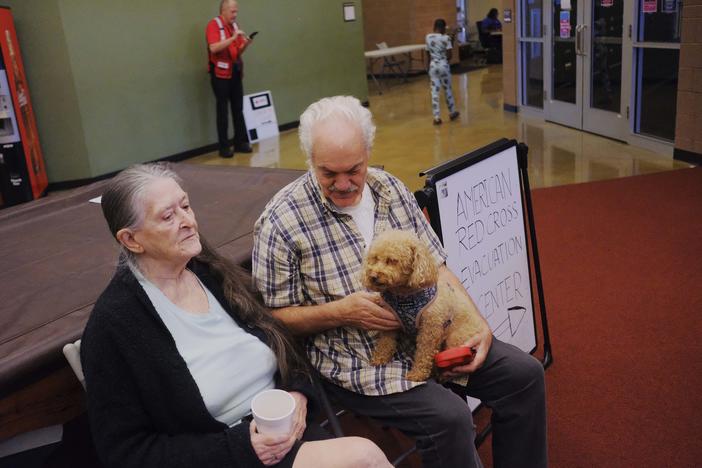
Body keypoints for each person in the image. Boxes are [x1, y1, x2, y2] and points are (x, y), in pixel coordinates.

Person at [252, 96, 547, 468]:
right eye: (329, 173)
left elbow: (438, 267)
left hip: (431, 332)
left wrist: (481, 325)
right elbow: (273, 318)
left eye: (354, 170)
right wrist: (342, 312)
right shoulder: (280, 221)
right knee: (451, 418)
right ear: (310, 160)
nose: (343, 184)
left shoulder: (390, 189)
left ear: (369, 152)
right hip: (357, 359)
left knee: (524, 375)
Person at [81, 163, 392, 468]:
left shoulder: (208, 270)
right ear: (131, 240)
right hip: (222, 455)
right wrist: (242, 447)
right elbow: (126, 453)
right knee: (362, 457)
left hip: (284, 437)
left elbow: (281, 339)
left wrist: (298, 393)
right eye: (167, 216)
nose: (187, 220)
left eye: (186, 206)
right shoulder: (114, 325)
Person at [206, 0, 253, 158]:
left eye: (236, 12)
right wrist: (233, 38)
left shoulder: (234, 25)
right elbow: (214, 48)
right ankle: (224, 147)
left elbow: (237, 52)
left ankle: (240, 142)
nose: (235, 15)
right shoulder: (213, 25)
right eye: (233, 11)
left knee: (238, 108)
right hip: (219, 74)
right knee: (222, 110)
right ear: (223, 11)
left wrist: (246, 44)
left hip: (235, 72)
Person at [425, 19, 460, 125]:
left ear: (434, 26)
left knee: (434, 92)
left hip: (433, 66)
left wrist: (427, 67)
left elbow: (427, 53)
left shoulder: (428, 37)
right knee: (447, 89)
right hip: (443, 65)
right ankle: (452, 112)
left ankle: (436, 118)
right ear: (443, 27)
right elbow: (449, 55)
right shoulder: (446, 38)